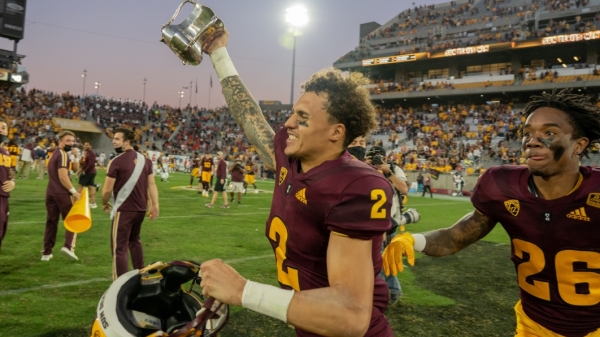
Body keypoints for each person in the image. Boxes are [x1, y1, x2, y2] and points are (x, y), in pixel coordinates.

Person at [199, 31, 394, 336]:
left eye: (302, 117)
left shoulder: (357, 185)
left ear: (335, 132)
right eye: (293, 113)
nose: (288, 122)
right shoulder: (290, 157)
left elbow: (351, 315)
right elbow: (251, 119)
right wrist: (219, 53)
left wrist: (242, 291)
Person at [382, 88, 600, 337]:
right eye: (528, 133)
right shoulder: (502, 184)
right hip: (533, 327)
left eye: (549, 133)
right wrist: (414, 240)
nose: (532, 141)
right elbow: (456, 236)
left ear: (579, 145)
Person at [101, 128, 158, 280]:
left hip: (124, 211)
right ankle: (141, 274)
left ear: (126, 142)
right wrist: (155, 205)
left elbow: (106, 190)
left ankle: (121, 282)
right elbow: (152, 185)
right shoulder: (145, 161)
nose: (113, 141)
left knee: (119, 248)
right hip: (140, 210)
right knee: (135, 241)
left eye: (117, 139)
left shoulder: (116, 161)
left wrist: (104, 203)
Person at [365, 145, 409, 305]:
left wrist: (387, 171)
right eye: (373, 158)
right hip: (370, 220)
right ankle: (393, 291)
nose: (376, 161)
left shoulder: (393, 169)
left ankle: (381, 295)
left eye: (379, 158)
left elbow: (404, 189)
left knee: (381, 258)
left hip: (390, 221)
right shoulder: (363, 168)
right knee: (380, 258)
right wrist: (366, 166)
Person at [42, 131, 81, 261]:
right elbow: (63, 177)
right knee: (73, 221)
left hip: (50, 192)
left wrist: (75, 157)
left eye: (72, 141)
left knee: (51, 222)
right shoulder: (63, 154)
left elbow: (75, 169)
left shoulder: (56, 154)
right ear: (61, 141)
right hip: (62, 193)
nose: (71, 143)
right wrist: (74, 191)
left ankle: (46, 252)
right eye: (68, 141)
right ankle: (68, 246)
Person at [0, 119, 15, 252]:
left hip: (4, 197)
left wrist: (12, 182)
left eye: (4, 128)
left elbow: (10, 173)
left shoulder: (6, 152)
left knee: (2, 231)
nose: (1, 130)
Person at [76, 142, 99, 208]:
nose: (85, 146)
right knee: (92, 188)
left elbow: (91, 164)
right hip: (91, 172)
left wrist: (84, 170)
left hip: (88, 173)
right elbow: (86, 164)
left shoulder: (91, 153)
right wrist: (79, 171)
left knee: (80, 187)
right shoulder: (89, 153)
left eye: (87, 145)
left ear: (90, 146)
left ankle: (77, 203)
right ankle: (93, 203)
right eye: (85, 145)